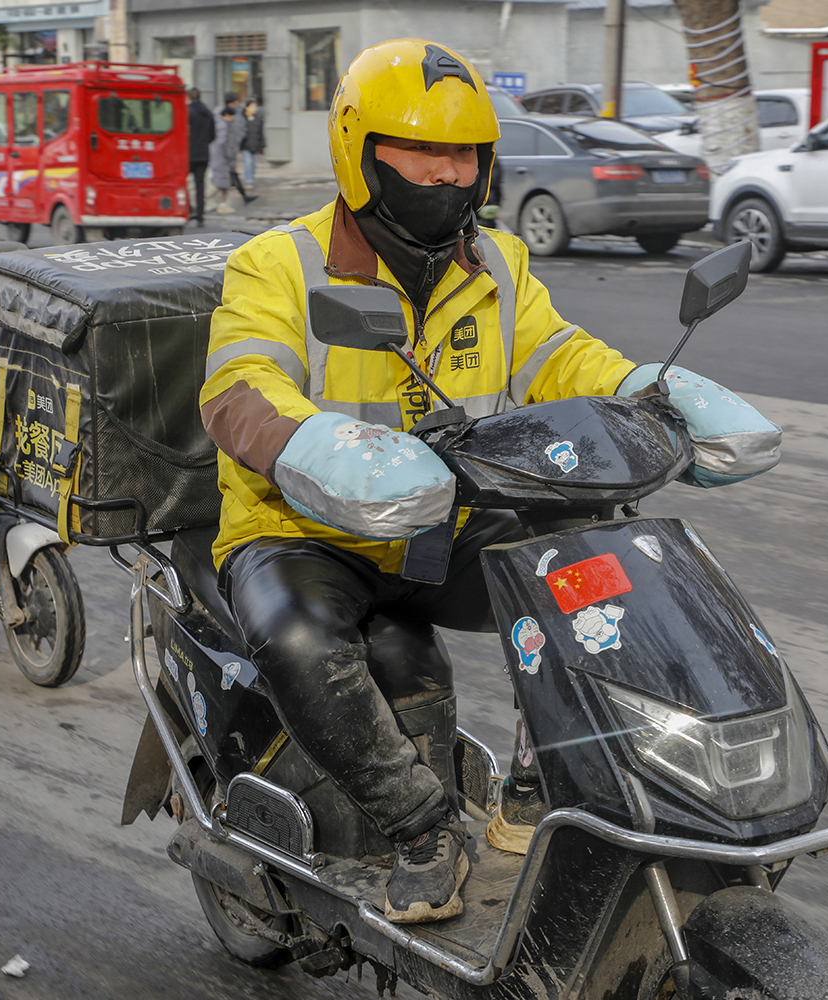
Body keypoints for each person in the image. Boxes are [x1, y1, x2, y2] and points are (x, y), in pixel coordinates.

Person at [199, 39, 780, 925]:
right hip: (304, 532)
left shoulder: (498, 264)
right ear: (359, 153)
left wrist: (644, 392)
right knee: (297, 639)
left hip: (444, 521)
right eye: (420, 150)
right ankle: (423, 831)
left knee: (594, 576)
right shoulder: (278, 264)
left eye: (465, 154)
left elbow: (556, 356)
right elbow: (241, 383)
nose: (446, 173)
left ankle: (535, 781)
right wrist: (313, 440)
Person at [187, 86, 215, 226]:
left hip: (188, 153)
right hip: (203, 153)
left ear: (189, 97)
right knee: (200, 185)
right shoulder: (208, 113)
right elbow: (213, 135)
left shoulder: (187, 112)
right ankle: (200, 215)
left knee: (182, 182)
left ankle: (187, 209)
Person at [240, 99, 265, 187]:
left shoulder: (258, 120)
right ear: (247, 108)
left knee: (253, 164)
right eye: (252, 107)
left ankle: (250, 178)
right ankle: (248, 181)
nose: (255, 109)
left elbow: (261, 133)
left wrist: (262, 145)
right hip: (245, 146)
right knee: (248, 162)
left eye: (255, 107)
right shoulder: (242, 119)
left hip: (255, 145)